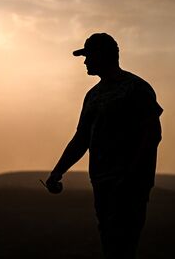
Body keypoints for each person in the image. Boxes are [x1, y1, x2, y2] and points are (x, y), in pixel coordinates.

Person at [45, 33, 163, 259]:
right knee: (109, 241)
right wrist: (58, 171)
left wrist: (131, 176)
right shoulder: (93, 95)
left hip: (129, 184)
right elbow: (81, 138)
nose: (85, 62)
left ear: (104, 56)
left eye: (88, 56)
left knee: (124, 243)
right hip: (102, 181)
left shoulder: (136, 88)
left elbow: (152, 135)